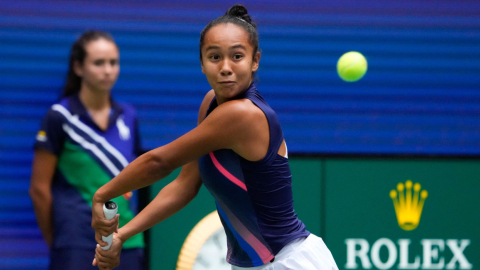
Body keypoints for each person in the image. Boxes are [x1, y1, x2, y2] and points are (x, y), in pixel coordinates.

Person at [91, 5, 338, 270]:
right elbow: (184, 186)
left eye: (237, 56)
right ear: (202, 63)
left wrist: (102, 195)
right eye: (215, 57)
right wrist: (121, 235)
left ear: (255, 60)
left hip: (290, 262)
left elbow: (158, 163)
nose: (225, 67)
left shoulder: (242, 115)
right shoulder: (211, 103)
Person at [29, 30, 145, 270]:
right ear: (78, 67)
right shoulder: (59, 117)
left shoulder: (129, 116)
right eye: (98, 63)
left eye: (113, 63)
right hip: (75, 243)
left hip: (127, 241)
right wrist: (60, 242)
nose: (108, 70)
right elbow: (38, 189)